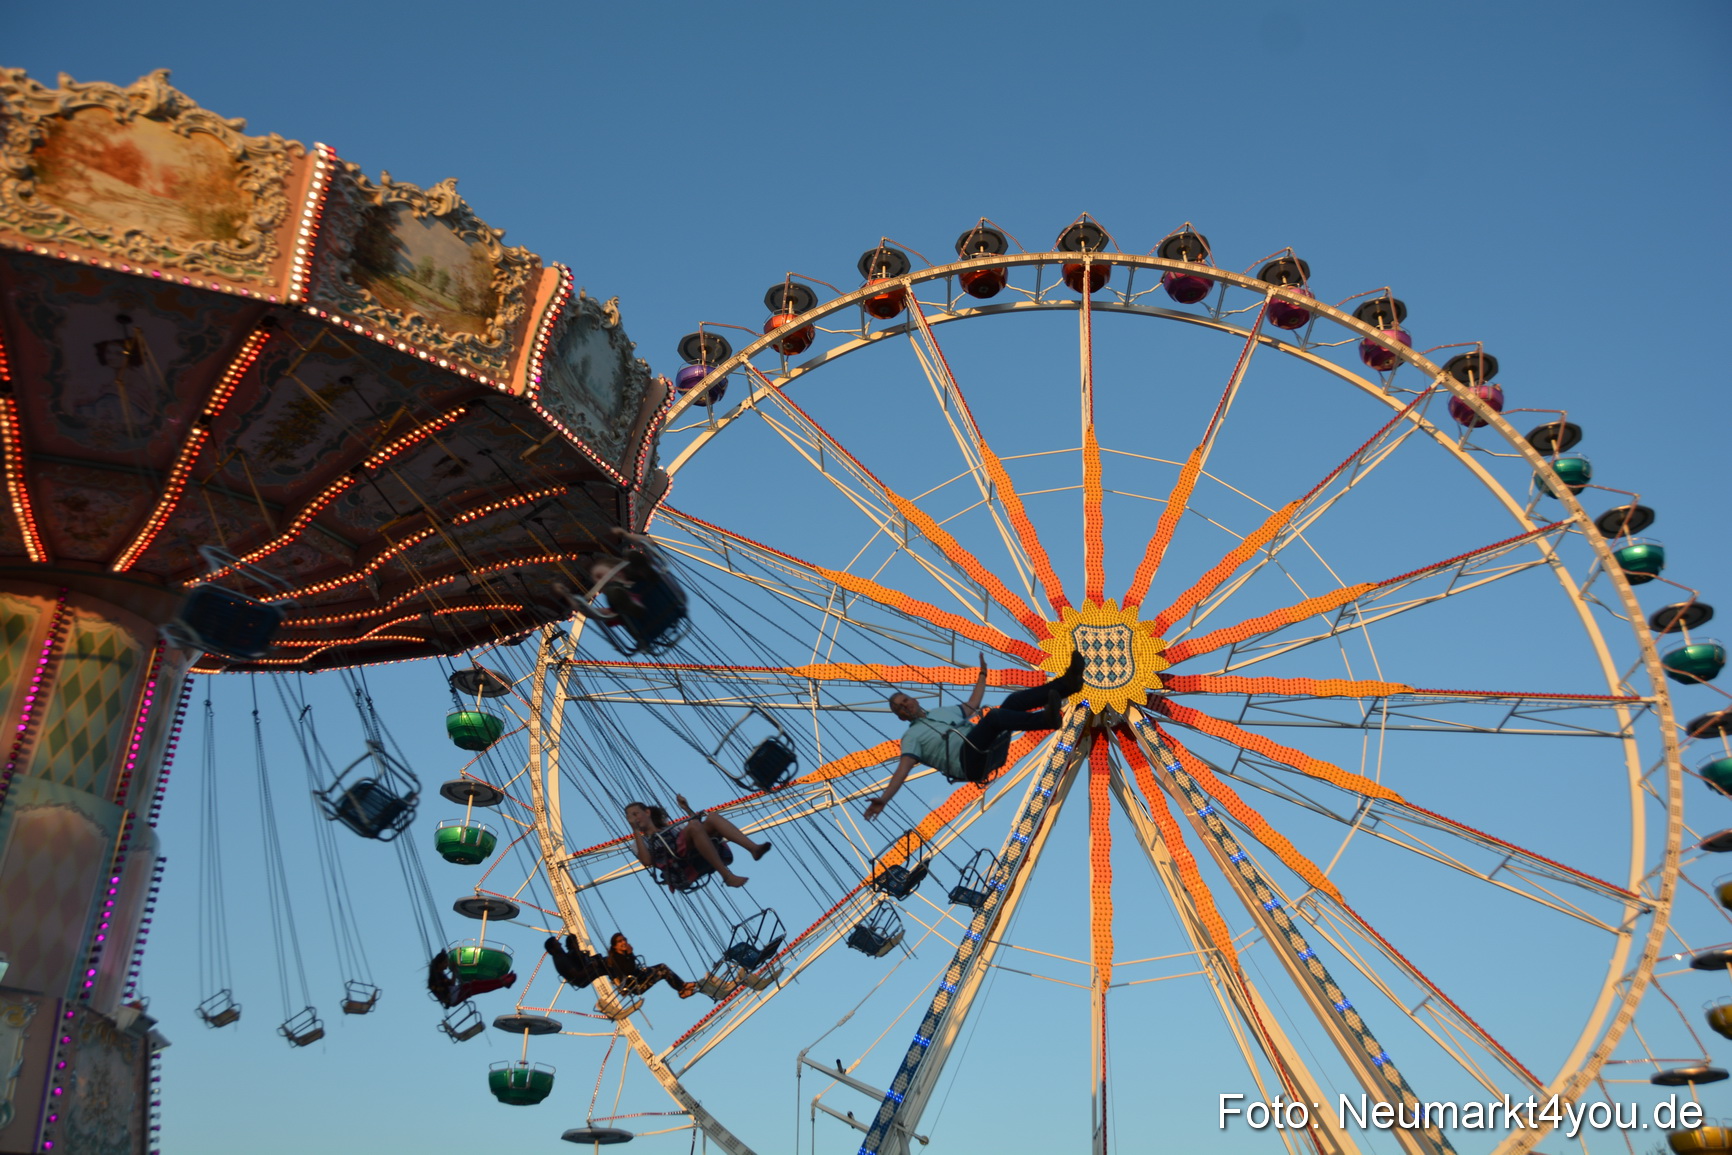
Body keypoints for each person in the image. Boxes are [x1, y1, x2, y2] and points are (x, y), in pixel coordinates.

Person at [864, 651, 1086, 820]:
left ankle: (1068, 683)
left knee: (1012, 703)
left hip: (987, 748)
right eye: (900, 708)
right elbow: (902, 771)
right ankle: (1046, 720)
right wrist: (884, 799)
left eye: (906, 700)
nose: (906, 706)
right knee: (995, 717)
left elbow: (972, 705)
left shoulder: (942, 712)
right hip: (968, 762)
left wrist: (982, 675)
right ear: (900, 717)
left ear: (914, 700)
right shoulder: (911, 737)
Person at [625, 794, 772, 890]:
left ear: (647, 812)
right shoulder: (638, 842)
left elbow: (698, 828)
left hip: (687, 848)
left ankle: (753, 848)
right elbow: (647, 861)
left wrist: (686, 809)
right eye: (630, 817)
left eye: (636, 814)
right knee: (694, 826)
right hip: (675, 861)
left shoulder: (672, 828)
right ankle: (727, 876)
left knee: (712, 817)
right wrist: (636, 831)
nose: (634, 818)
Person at [544, 931, 697, 998]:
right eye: (620, 941)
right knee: (663, 970)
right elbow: (628, 970)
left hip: (635, 977)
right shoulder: (561, 959)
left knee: (662, 967)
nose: (624, 943)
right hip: (634, 984)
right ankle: (682, 989)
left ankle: (682, 987)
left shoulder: (617, 956)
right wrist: (592, 966)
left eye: (624, 940)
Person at [426, 950, 517, 1008]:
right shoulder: (436, 977)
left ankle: (501, 981)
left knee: (475, 984)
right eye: (445, 962)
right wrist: (454, 972)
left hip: (454, 993)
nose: (447, 965)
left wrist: (454, 972)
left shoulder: (439, 975)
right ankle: (502, 982)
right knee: (474, 986)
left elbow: (450, 984)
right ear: (439, 963)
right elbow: (448, 987)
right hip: (452, 997)